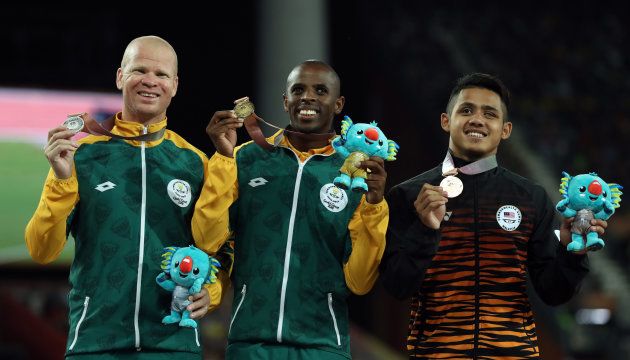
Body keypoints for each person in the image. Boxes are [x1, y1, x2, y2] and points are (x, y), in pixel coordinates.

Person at [25, 35, 230, 359]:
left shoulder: (195, 163)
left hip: (172, 344)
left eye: (161, 74)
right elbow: (41, 249)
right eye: (140, 70)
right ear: (120, 76)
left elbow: (220, 248)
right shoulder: (83, 156)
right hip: (95, 342)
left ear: (175, 85)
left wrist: (211, 290)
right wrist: (62, 181)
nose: (150, 81)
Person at [379, 73, 608, 359]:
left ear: (505, 129)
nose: (477, 119)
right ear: (445, 121)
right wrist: (425, 231)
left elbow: (553, 292)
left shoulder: (530, 197)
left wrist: (570, 253)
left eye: (490, 114)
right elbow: (396, 286)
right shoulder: (409, 195)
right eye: (466, 110)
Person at [191, 60, 389, 359]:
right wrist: (222, 158)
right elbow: (208, 241)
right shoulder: (246, 158)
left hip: (323, 345)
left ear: (339, 104)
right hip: (250, 342)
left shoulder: (357, 175)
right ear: (285, 101)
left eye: (320, 90)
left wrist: (375, 205)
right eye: (298, 90)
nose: (307, 97)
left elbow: (360, 282)